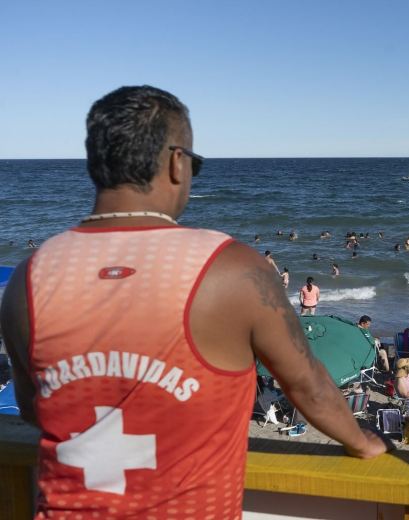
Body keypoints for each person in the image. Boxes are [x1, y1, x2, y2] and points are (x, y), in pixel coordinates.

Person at [0, 86, 386, 518]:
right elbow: (307, 384)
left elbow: (35, 406)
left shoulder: (28, 277)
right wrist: (363, 441)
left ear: (95, 164)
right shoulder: (230, 269)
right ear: (176, 163)